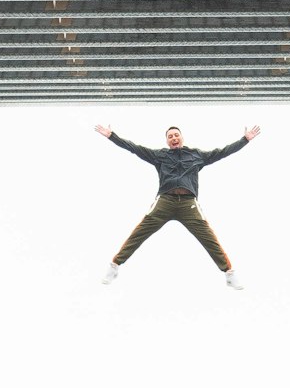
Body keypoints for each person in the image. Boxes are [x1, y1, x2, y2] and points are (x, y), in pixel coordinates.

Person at [95, 121, 261, 289]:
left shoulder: (196, 155)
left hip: (188, 204)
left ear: (181, 137)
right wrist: (112, 136)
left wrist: (245, 140)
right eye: (170, 137)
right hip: (165, 201)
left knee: (208, 237)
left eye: (176, 135)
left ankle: (229, 273)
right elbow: (134, 148)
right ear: (167, 141)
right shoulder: (160, 155)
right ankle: (114, 266)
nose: (173, 138)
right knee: (139, 233)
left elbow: (223, 152)